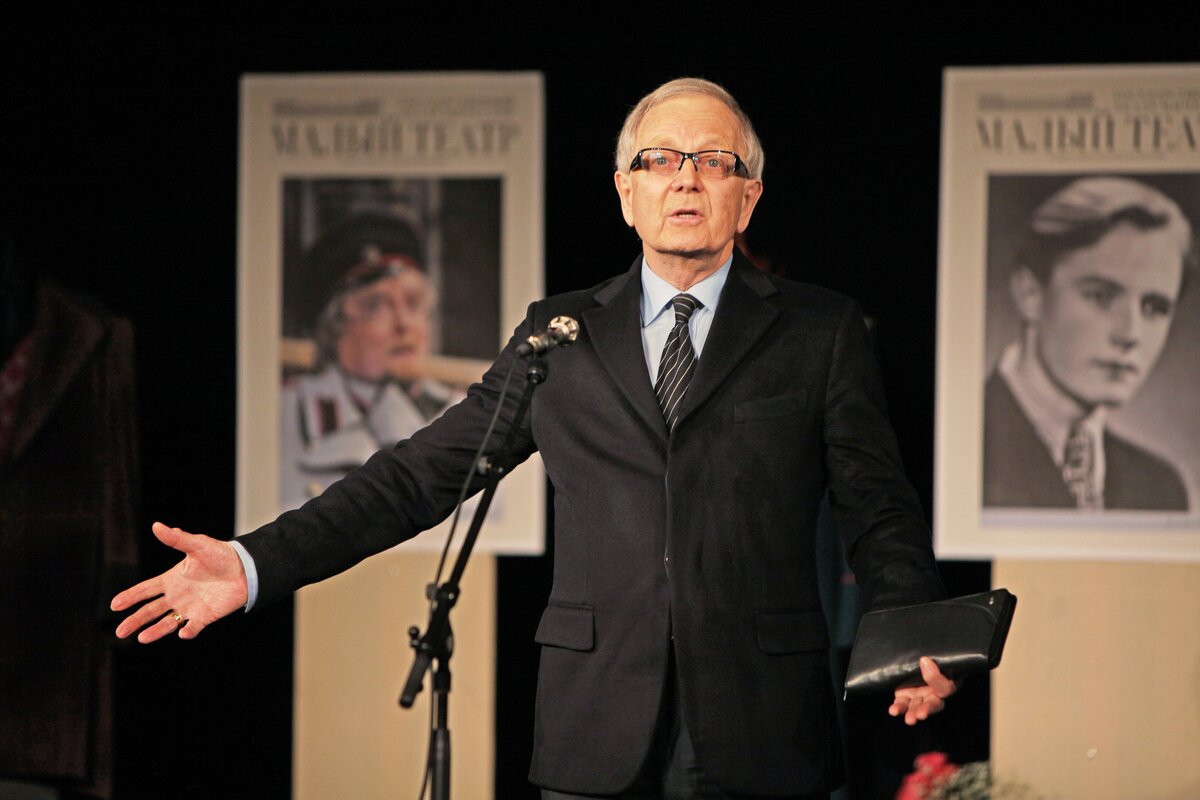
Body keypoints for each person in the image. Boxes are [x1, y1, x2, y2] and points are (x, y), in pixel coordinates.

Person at [112, 78, 955, 799]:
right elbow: (417, 476)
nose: (685, 179)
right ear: (626, 192)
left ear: (749, 195)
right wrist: (255, 563)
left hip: (762, 721)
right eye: (660, 160)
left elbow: (878, 506)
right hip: (596, 722)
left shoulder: (819, 332)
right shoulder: (561, 334)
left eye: (713, 161)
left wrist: (910, 628)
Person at [983, 176, 1194, 511]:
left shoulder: (1161, 488)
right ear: (1030, 293)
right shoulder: (958, 446)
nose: (1130, 334)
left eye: (1154, 308)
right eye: (1100, 296)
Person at [280, 225, 464, 506]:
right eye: (377, 306)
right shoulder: (287, 413)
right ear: (334, 327)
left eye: (414, 303)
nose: (404, 324)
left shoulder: (465, 413)